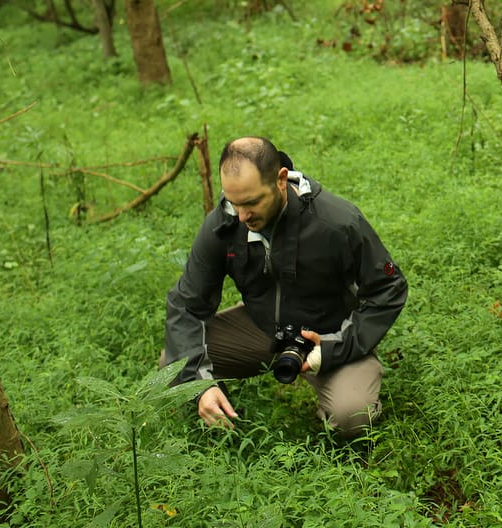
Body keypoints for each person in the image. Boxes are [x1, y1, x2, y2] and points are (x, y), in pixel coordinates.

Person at [161, 136, 408, 439]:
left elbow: (388, 288)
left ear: (280, 180)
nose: (242, 216)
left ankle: (343, 385)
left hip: (328, 336)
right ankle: (219, 414)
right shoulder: (223, 224)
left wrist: (334, 348)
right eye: (234, 202)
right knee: (176, 363)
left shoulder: (337, 222)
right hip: (261, 327)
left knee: (352, 416)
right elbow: (186, 306)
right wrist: (201, 387)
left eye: (252, 202)